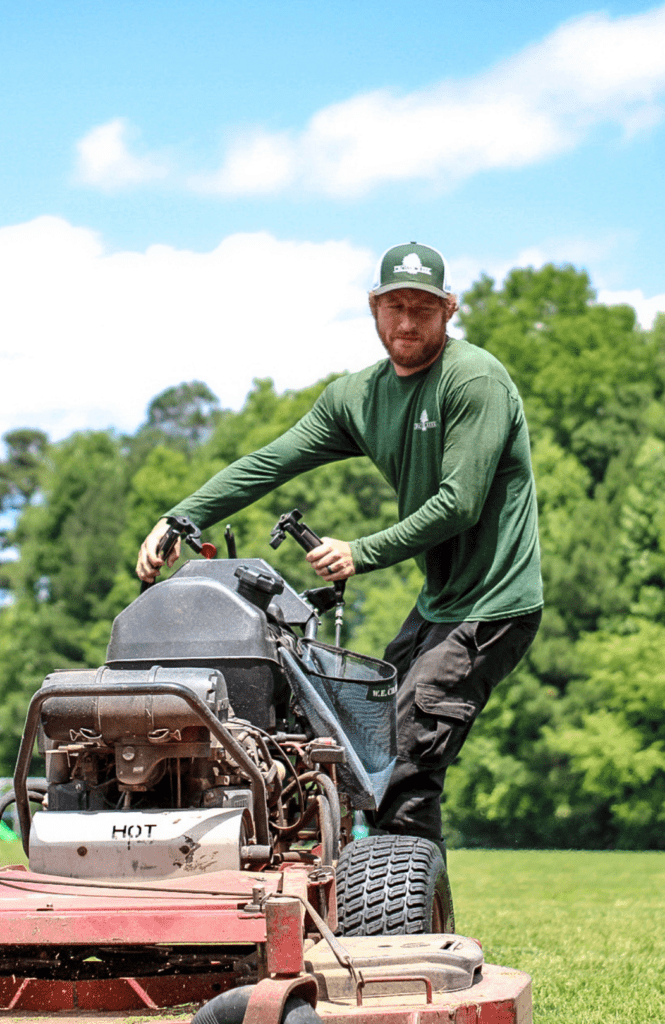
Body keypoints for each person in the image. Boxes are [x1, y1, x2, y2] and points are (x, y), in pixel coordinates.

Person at [135, 241, 542, 854]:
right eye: (395, 306)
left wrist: (362, 551)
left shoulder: (473, 380)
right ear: (373, 308)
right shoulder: (359, 397)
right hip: (439, 606)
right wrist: (182, 515)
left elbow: (460, 503)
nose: (407, 322)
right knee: (357, 740)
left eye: (423, 309)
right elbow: (270, 462)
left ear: (450, 310)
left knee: (403, 763)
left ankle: (400, 923)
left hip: (492, 607)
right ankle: (359, 887)